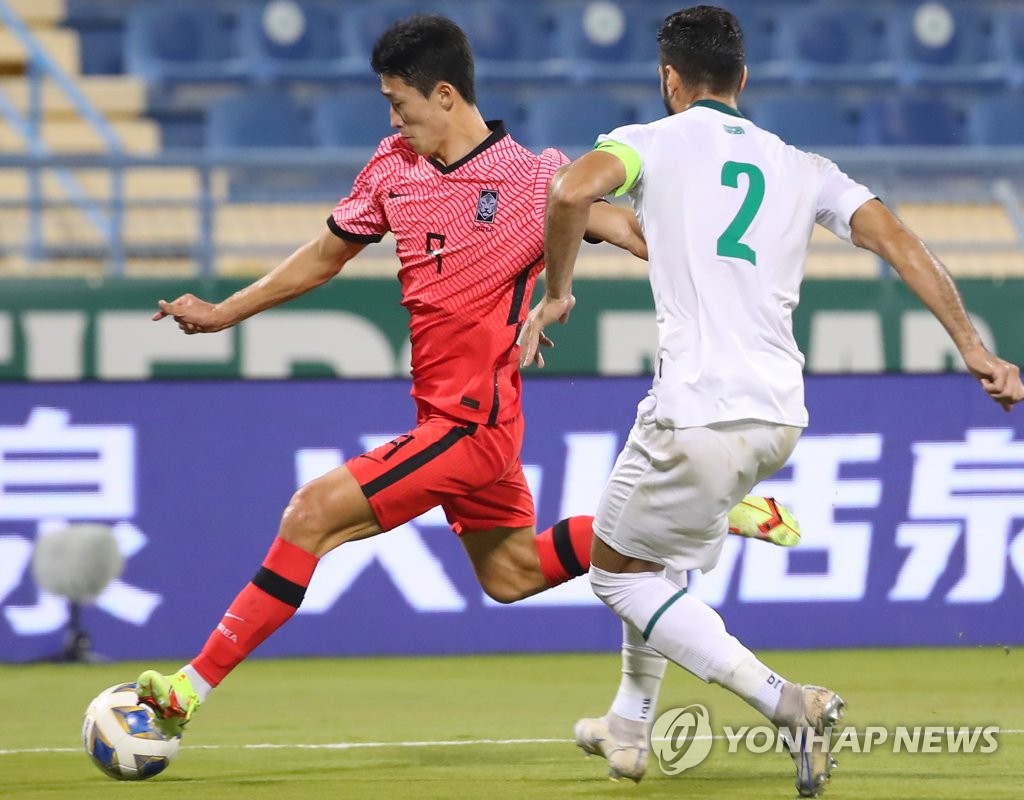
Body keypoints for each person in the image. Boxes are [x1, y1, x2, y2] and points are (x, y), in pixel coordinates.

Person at [134, 14, 791, 742]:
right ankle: (697, 516)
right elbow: (324, 254)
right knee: (511, 575)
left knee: (310, 514)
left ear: (444, 94)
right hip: (459, 419)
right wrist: (226, 311)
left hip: (470, 425)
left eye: (400, 102)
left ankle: (187, 690)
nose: (394, 118)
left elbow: (638, 235)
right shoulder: (392, 167)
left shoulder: (536, 179)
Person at [518, 5, 1024, 797]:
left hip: (696, 407)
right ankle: (629, 723)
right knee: (658, 559)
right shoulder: (802, 165)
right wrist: (974, 347)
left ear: (669, 80)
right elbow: (898, 240)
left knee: (617, 576)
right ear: (743, 79)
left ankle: (784, 700)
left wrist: (556, 294)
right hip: (779, 413)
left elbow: (569, 188)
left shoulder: (648, 141)